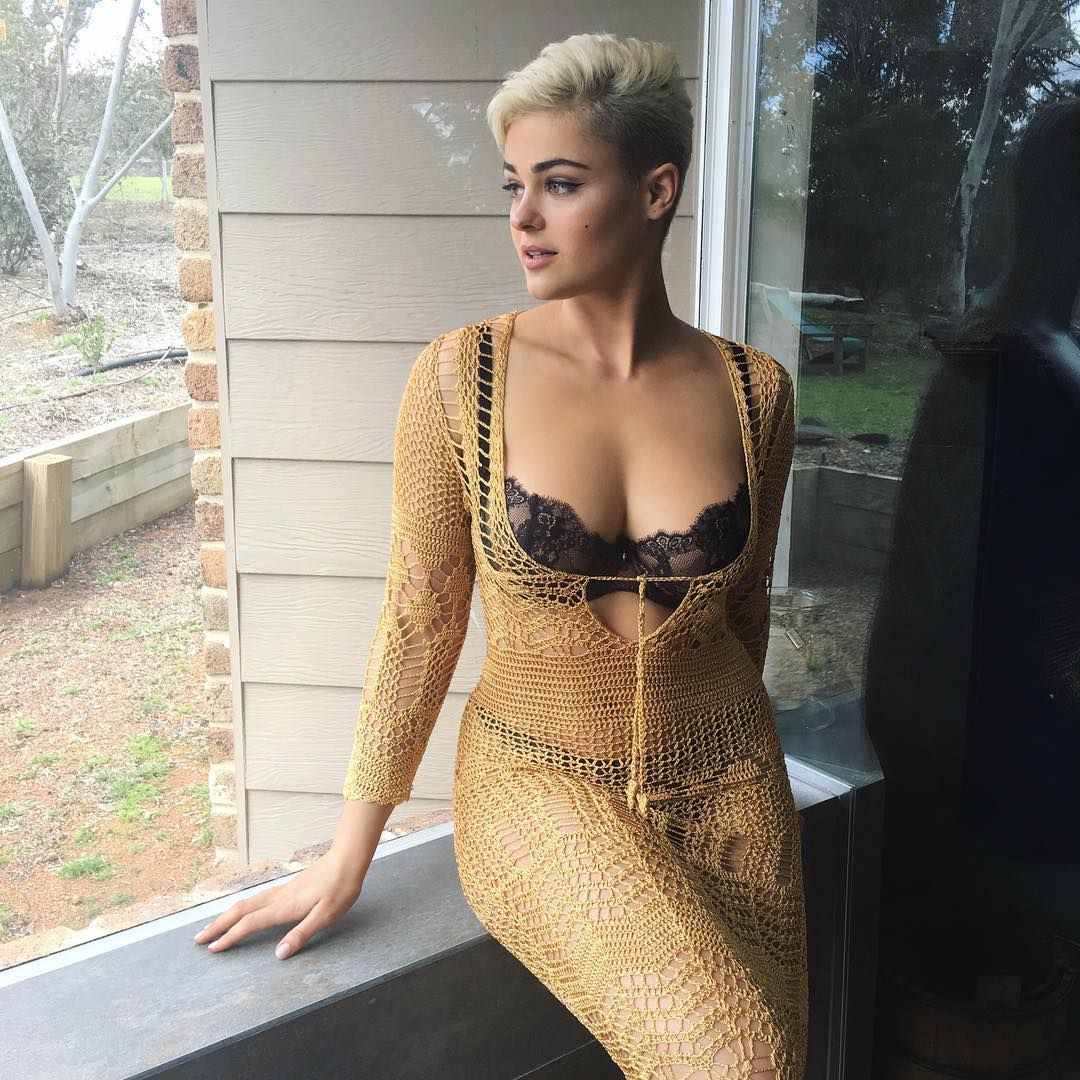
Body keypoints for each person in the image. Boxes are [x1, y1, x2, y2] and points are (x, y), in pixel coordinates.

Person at [194, 32, 807, 1079]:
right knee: (740, 1061)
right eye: (513, 185)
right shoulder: (460, 378)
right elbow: (420, 617)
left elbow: (744, 611)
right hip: (538, 776)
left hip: (734, 776)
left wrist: (729, 773)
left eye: (559, 184)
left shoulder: (756, 393)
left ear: (656, 191)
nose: (522, 216)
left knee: (782, 1053)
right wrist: (349, 851)